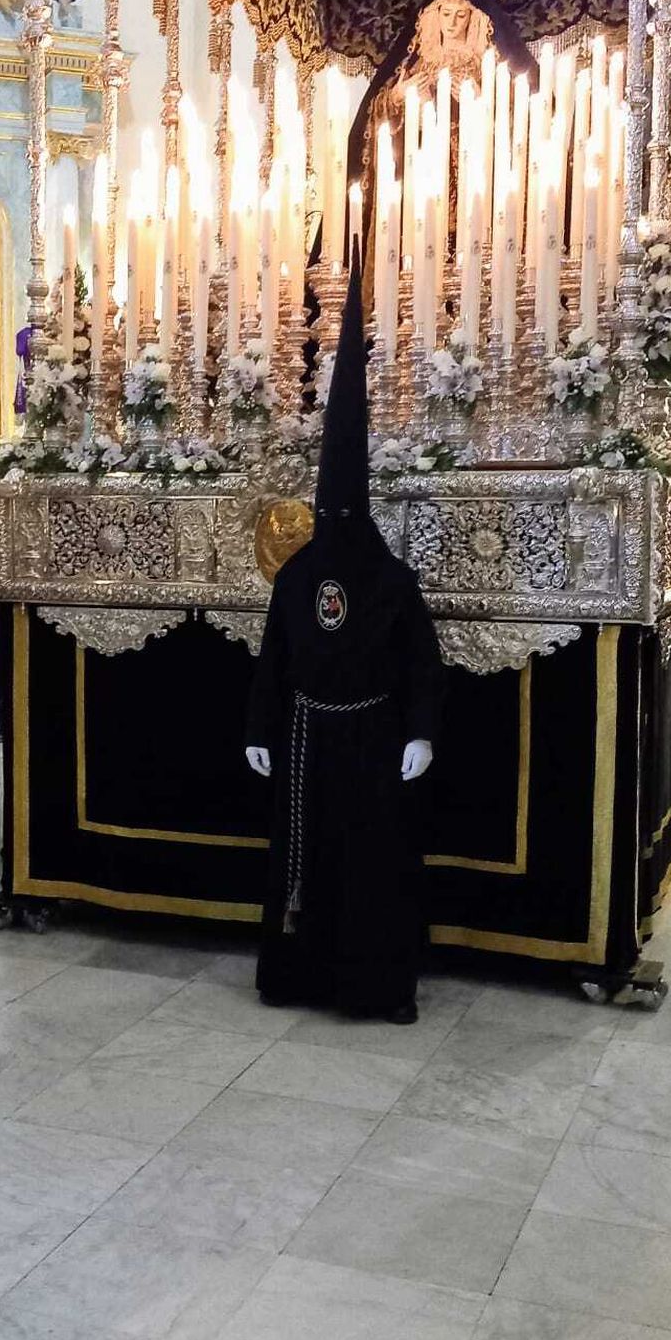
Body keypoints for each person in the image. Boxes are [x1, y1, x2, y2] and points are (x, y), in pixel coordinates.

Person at [245, 262, 442, 1023]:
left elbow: (422, 662)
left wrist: (421, 732)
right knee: (306, 859)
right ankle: (296, 975)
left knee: (369, 862)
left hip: (372, 735)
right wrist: (261, 728)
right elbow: (274, 657)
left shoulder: (392, 580)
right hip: (303, 736)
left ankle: (373, 986)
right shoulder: (298, 577)